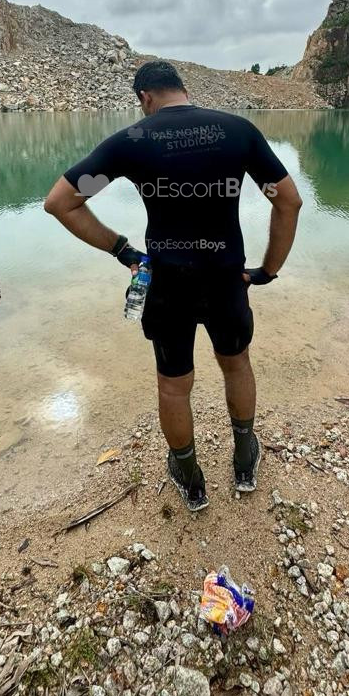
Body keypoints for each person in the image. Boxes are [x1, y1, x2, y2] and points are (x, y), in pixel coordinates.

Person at [43, 60, 302, 511]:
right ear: (183, 89)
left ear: (145, 98)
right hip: (226, 277)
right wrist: (268, 269)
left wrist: (123, 250)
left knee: (174, 385)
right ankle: (245, 460)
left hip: (168, 283)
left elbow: (60, 203)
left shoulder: (131, 142)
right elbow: (288, 202)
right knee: (236, 365)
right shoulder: (237, 131)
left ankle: (190, 477)